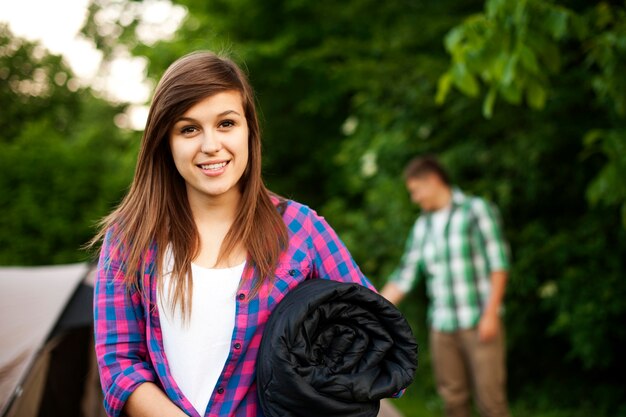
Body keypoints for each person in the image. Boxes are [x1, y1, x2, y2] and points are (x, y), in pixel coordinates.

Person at [91, 51, 378, 417]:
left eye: (226, 123)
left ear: (249, 130)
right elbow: (119, 367)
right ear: (165, 141)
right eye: (189, 128)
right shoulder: (128, 239)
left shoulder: (302, 229)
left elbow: (372, 332)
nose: (211, 145)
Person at [380, 156, 511, 417]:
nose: (414, 198)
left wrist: (491, 313)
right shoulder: (422, 226)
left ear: (433, 181)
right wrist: (371, 306)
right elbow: (405, 274)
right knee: (453, 402)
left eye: (415, 191)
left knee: (491, 403)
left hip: (479, 322)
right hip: (442, 328)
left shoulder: (476, 210)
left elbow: (499, 263)